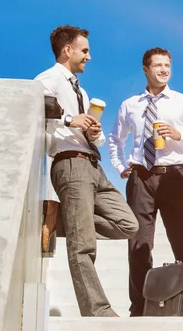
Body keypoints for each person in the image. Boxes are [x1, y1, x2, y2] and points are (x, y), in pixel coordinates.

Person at [35, 25, 139, 317]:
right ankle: (98, 310)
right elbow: (37, 106)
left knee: (127, 224)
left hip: (94, 166)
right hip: (70, 163)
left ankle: (59, 218)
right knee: (83, 246)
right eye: (85, 50)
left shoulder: (82, 90)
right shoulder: (49, 78)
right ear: (68, 50)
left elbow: (94, 133)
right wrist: (71, 119)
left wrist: (95, 133)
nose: (89, 57)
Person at [108, 47, 183, 317]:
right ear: (146, 69)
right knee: (139, 246)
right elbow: (114, 140)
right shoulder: (130, 105)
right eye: (158, 65)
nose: (164, 70)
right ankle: (141, 307)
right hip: (140, 178)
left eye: (167, 65)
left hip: (175, 176)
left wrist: (179, 134)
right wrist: (121, 167)